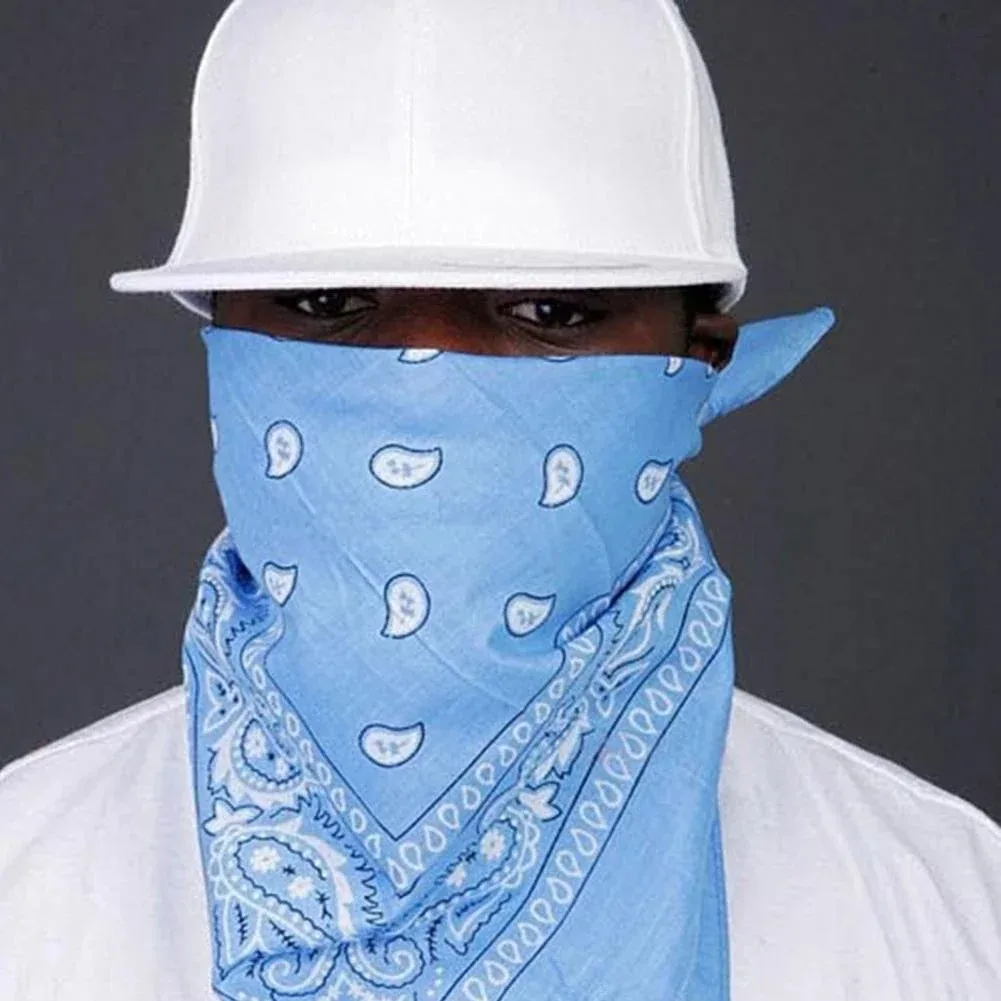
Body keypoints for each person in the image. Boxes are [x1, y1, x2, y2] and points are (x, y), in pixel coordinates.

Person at [1, 1, 998, 999]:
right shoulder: (25, 886)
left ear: (699, 359)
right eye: (325, 304)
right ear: (218, 343)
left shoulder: (946, 913)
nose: (424, 383)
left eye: (547, 312)